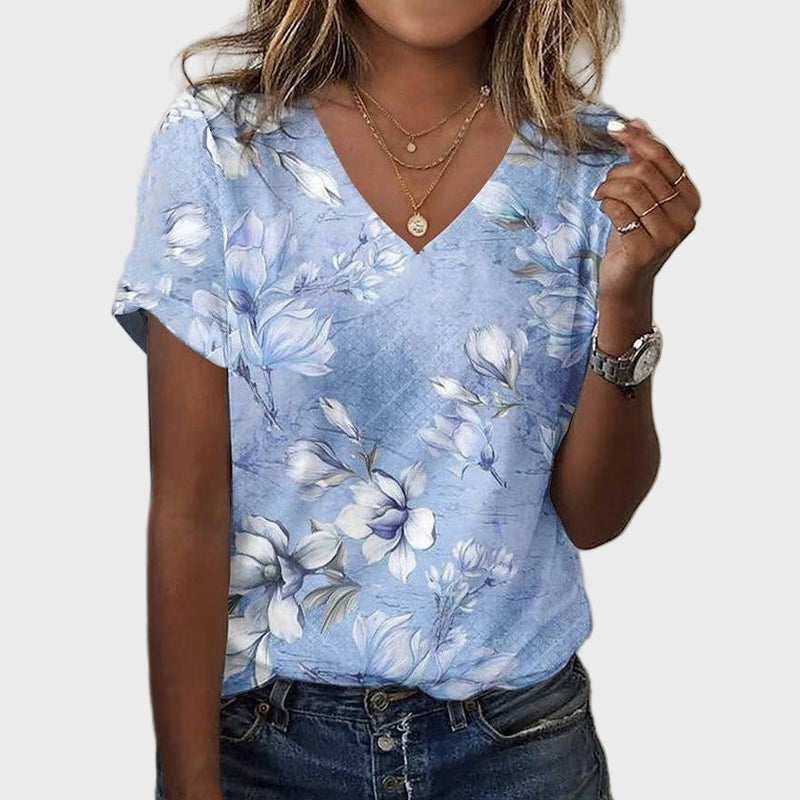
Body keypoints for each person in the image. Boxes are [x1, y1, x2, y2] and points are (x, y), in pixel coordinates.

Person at [110, 1, 700, 798]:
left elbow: (594, 517)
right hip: (268, 746)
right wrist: (187, 784)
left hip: (518, 747)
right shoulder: (222, 145)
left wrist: (628, 300)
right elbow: (189, 508)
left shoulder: (593, 165)